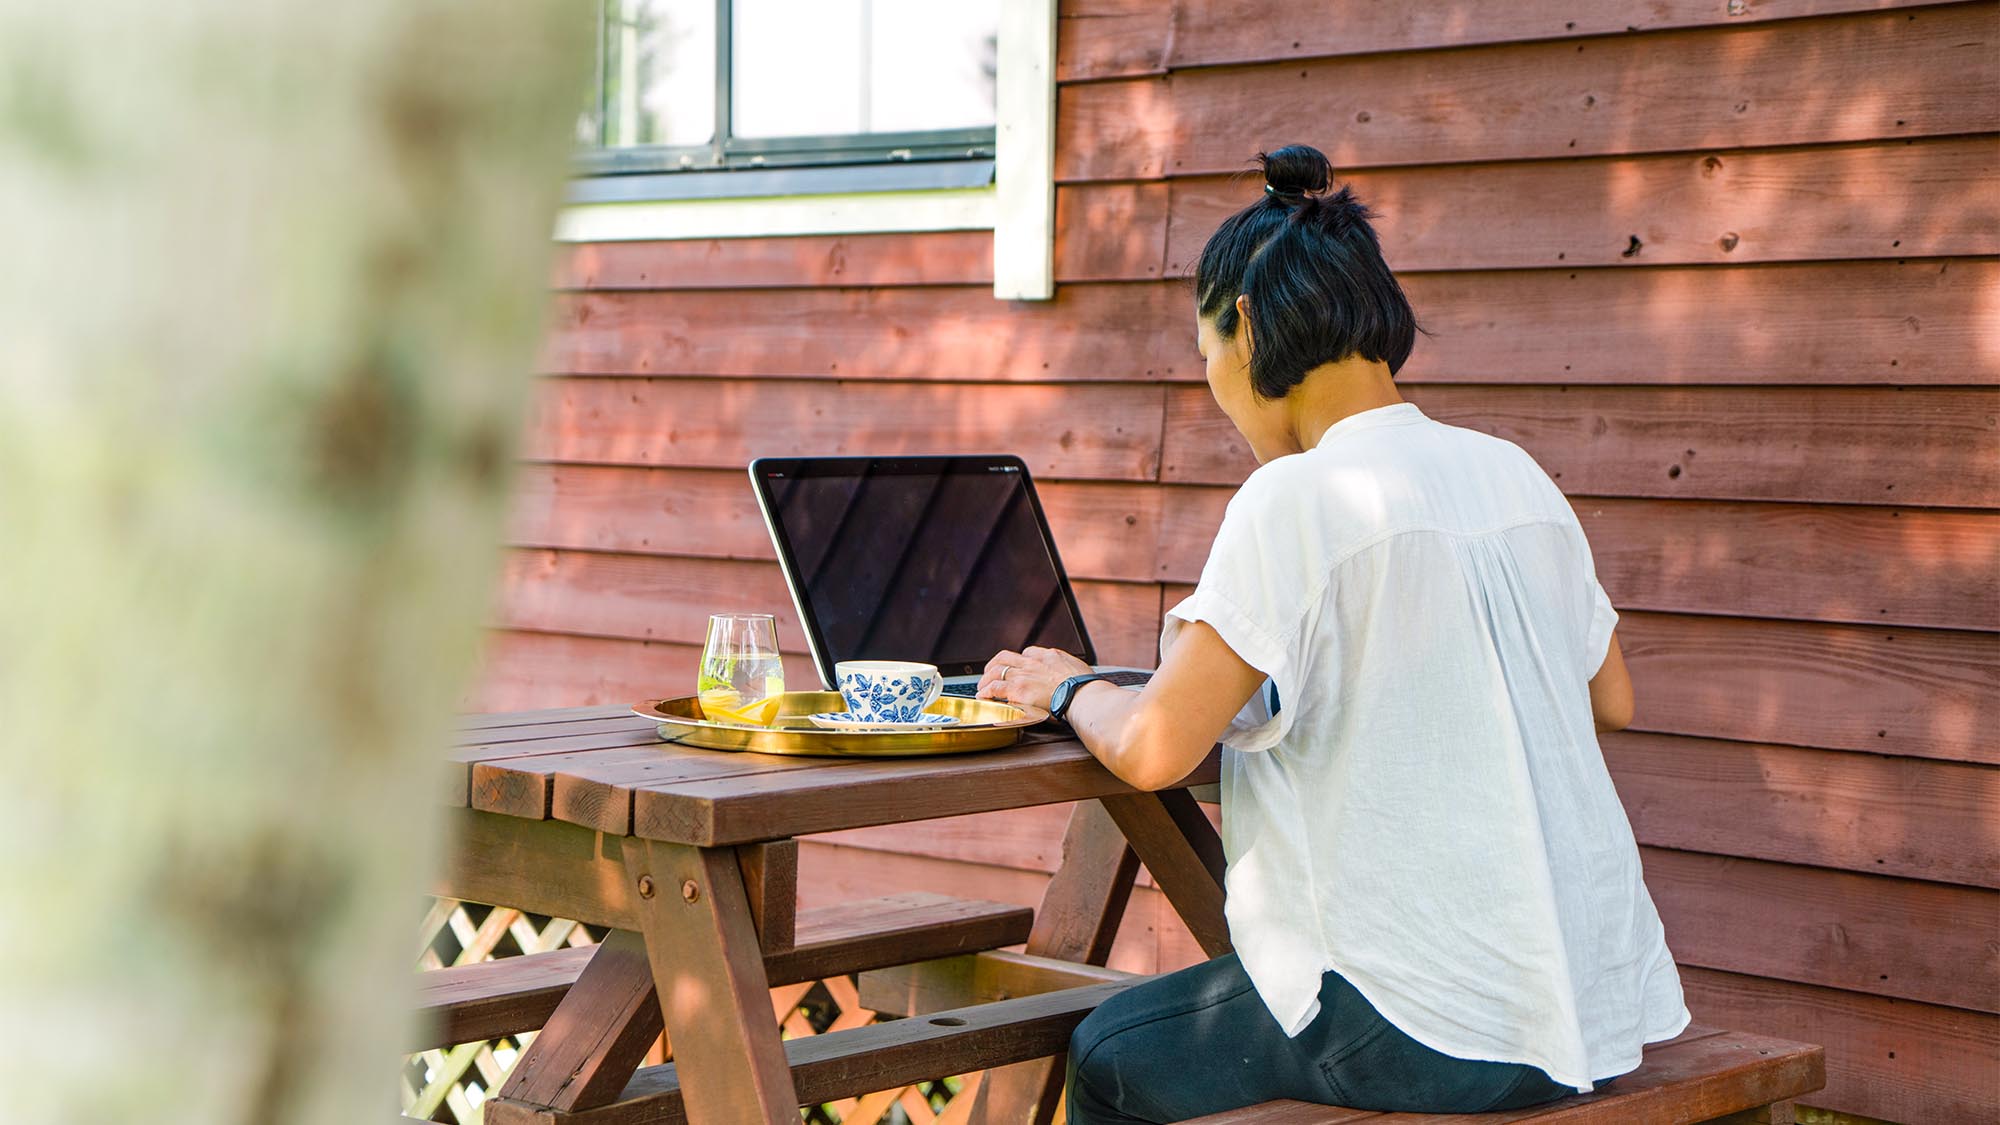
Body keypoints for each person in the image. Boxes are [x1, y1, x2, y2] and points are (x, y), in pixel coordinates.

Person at [977, 144, 1689, 1122]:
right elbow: (1609, 698)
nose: (1218, 396)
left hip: (1423, 1024)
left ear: (1246, 326)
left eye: (1205, 364)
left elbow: (1150, 748)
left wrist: (1065, 688)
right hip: (1583, 1010)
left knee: (1105, 1051)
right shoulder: (1511, 473)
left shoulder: (1294, 497)